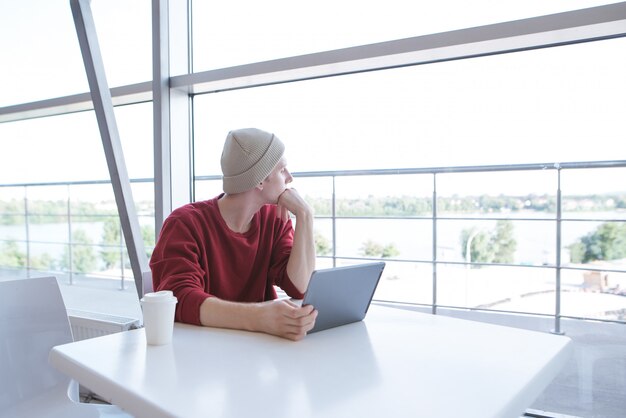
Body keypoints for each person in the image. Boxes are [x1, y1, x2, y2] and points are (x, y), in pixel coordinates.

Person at [150, 128, 317, 341]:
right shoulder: (185, 223)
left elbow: (299, 286)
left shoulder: (274, 219)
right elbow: (178, 299)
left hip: (257, 350)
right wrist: (259, 318)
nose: (290, 178)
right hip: (201, 353)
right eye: (282, 169)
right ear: (259, 179)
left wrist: (305, 216)